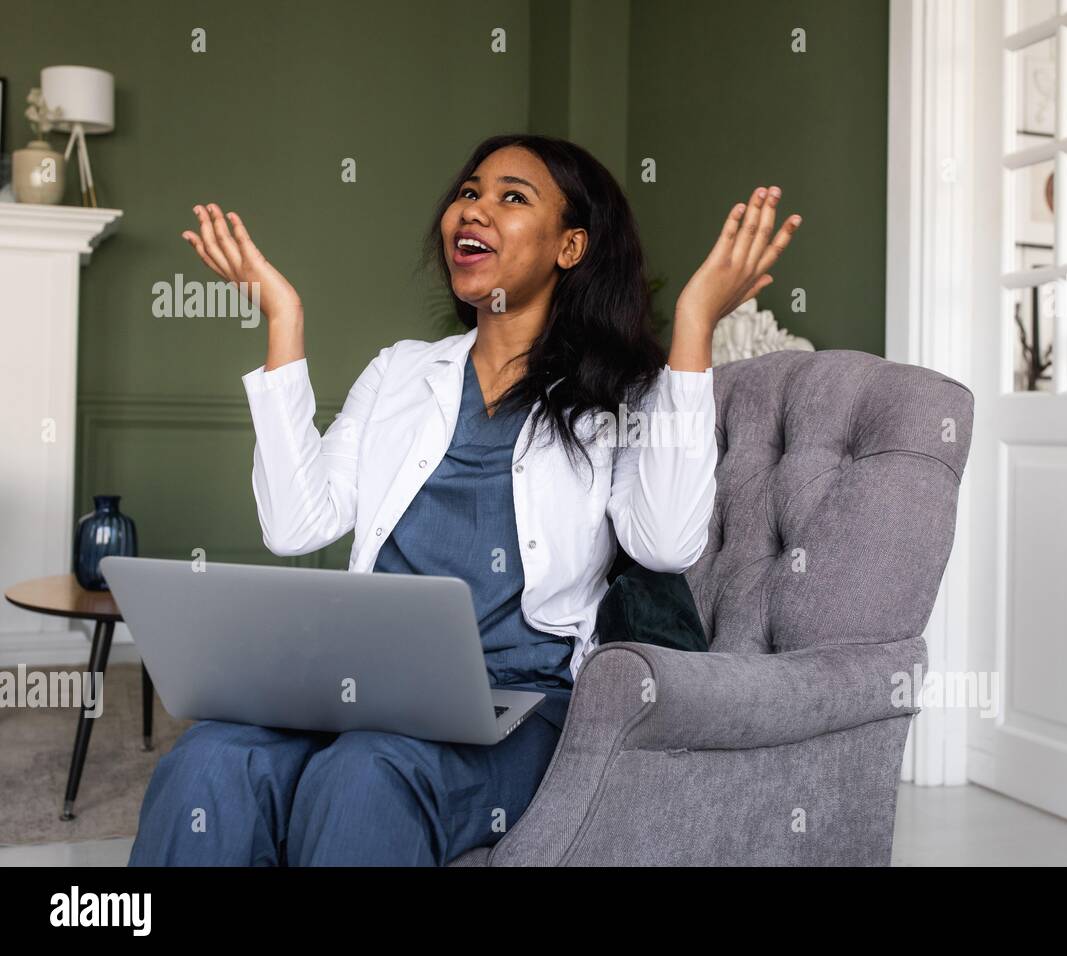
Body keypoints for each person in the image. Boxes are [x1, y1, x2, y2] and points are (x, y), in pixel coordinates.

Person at [128, 133, 801, 866]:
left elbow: (667, 542)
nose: (473, 210)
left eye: (513, 197)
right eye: (469, 192)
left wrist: (695, 325)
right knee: (210, 761)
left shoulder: (622, 397)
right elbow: (297, 525)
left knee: (366, 773)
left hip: (517, 706)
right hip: (361, 686)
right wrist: (283, 321)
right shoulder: (399, 373)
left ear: (570, 247)